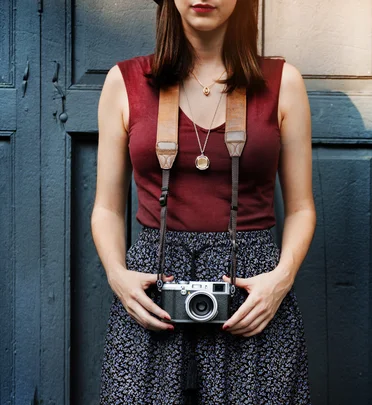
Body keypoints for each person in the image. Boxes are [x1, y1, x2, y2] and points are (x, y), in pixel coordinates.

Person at [90, 0, 315, 403]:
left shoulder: (283, 82)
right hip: (152, 293)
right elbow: (106, 207)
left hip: (252, 293)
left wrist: (280, 281)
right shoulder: (124, 81)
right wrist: (117, 276)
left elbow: (301, 208)